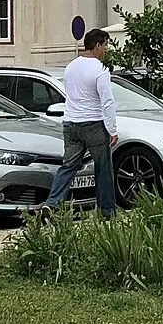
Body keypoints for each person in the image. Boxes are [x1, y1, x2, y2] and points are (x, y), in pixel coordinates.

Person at [43, 27, 119, 217]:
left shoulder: (71, 67)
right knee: (103, 168)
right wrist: (112, 129)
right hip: (93, 123)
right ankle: (107, 211)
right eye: (105, 45)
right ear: (97, 45)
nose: (106, 50)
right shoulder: (100, 69)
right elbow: (107, 101)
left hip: (71, 123)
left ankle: (52, 203)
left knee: (68, 166)